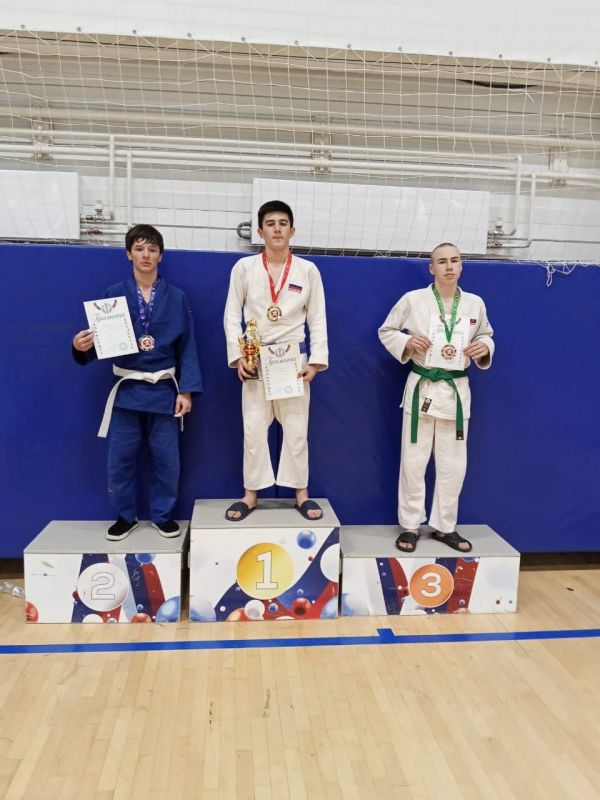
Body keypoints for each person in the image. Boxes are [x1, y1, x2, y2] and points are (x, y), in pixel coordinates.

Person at [72, 224, 203, 540]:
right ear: (128, 254)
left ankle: (163, 515)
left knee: (167, 459)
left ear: (161, 255)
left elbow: (187, 346)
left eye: (152, 249)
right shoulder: (112, 296)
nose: (146, 255)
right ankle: (124, 516)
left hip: (164, 390)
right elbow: (102, 345)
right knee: (120, 459)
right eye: (140, 249)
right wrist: (80, 347)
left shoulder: (177, 297)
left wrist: (186, 390)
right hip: (127, 390)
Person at [378, 242, 494, 553]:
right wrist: (406, 342)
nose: (449, 266)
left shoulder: (474, 303)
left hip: (455, 391)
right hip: (422, 387)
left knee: (453, 464)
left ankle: (445, 527)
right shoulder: (413, 299)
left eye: (455, 260)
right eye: (442, 261)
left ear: (461, 266)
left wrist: (485, 347)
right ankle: (410, 526)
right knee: (413, 462)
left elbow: (486, 334)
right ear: (431, 268)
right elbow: (386, 331)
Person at [224, 200, 328, 521]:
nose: (277, 229)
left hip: (293, 360)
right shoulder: (244, 268)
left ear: (292, 230)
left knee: (296, 430)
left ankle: (301, 494)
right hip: (256, 359)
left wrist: (316, 361)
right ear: (260, 231)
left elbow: (318, 319)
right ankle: (250, 495)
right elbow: (231, 316)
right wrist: (238, 356)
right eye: (270, 224)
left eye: (283, 223)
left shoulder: (308, 270)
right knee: (254, 429)